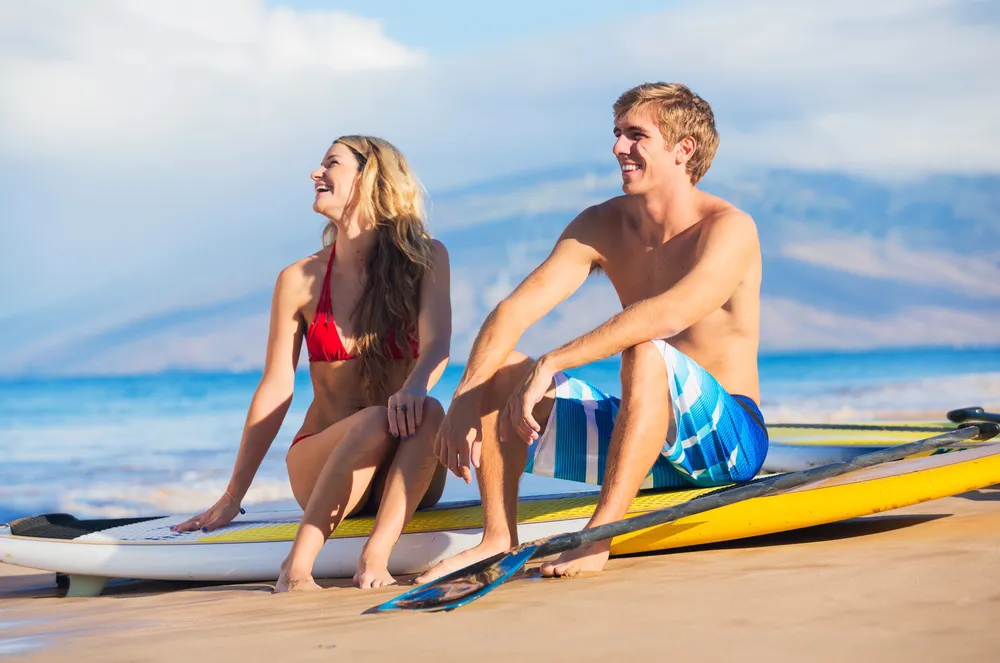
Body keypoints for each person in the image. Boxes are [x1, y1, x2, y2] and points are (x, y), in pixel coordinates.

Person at [419, 82, 767, 583]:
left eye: (635, 135)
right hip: (643, 445)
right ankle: (497, 537)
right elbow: (514, 308)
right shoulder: (600, 225)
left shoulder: (728, 228)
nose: (617, 148)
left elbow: (667, 315)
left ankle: (598, 534)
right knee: (503, 370)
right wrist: (464, 399)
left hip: (727, 445)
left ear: (682, 149)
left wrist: (554, 361)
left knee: (646, 350)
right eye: (617, 134)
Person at [172, 135, 452, 591]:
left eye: (331, 163)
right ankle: (295, 568)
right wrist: (232, 496)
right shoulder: (298, 281)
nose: (315, 174)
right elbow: (276, 388)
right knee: (374, 421)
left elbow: (437, 343)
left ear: (369, 177)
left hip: (405, 471)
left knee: (431, 412)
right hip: (320, 461)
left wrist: (417, 384)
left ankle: (374, 558)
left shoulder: (425, 260)